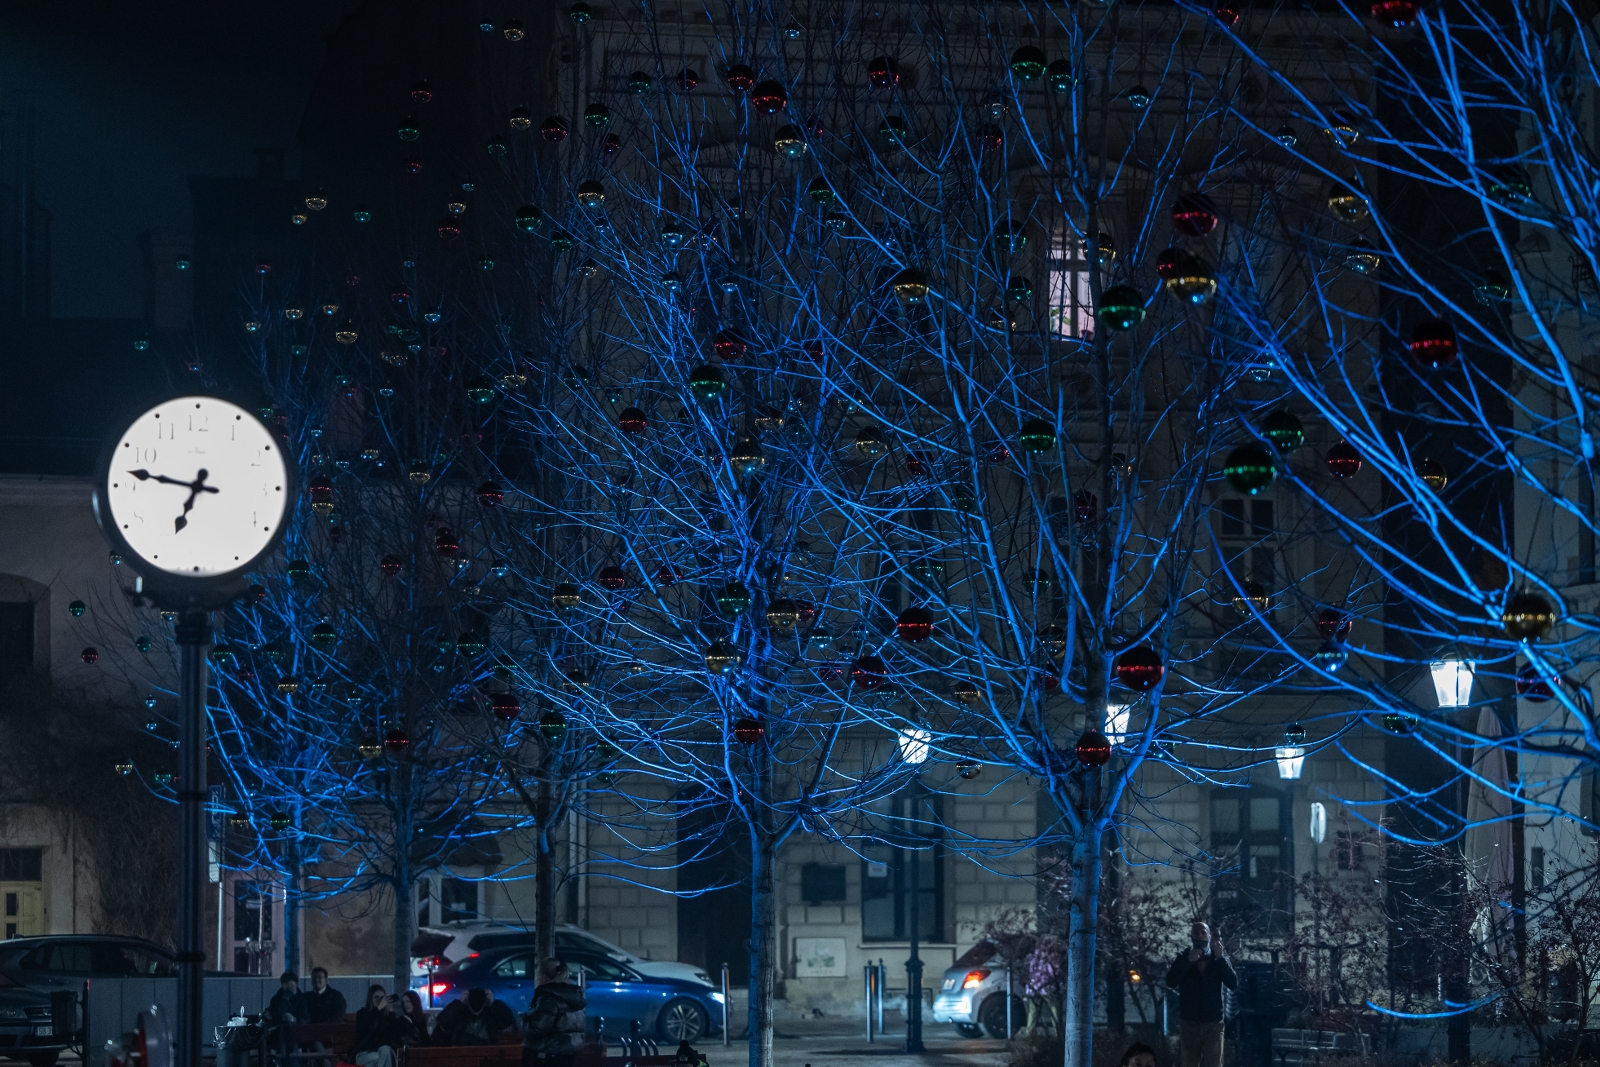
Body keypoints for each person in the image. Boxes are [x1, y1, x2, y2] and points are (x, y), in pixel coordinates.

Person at [1165, 922, 1238, 1067]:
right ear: (1191, 936)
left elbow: (1233, 983)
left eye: (1203, 932)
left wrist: (1221, 959)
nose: (1199, 935)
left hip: (1213, 1023)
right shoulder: (1183, 957)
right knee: (1188, 1063)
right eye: (1196, 932)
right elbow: (1171, 981)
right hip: (1189, 1022)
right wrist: (1188, 962)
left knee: (1213, 1063)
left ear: (1209, 936)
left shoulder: (1218, 958)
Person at [522, 959, 586, 1067]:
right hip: (568, 1053)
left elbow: (539, 1027)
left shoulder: (548, 997)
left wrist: (522, 1020)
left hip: (548, 1055)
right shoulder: (575, 995)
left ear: (544, 976)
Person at [354, 985, 418, 1067]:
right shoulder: (363, 1013)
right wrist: (379, 1008)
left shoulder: (388, 1016)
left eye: (382, 997)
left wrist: (390, 1013)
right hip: (365, 1054)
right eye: (376, 997)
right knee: (385, 1056)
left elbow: (392, 1037)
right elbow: (364, 1028)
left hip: (384, 1052)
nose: (379, 1000)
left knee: (385, 1050)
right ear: (370, 999)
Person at [436, 987, 517, 1045]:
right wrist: (458, 1004)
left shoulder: (491, 1014)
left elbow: (508, 1021)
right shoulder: (460, 1014)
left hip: (488, 1057)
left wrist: (494, 1004)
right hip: (462, 1056)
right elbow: (443, 1023)